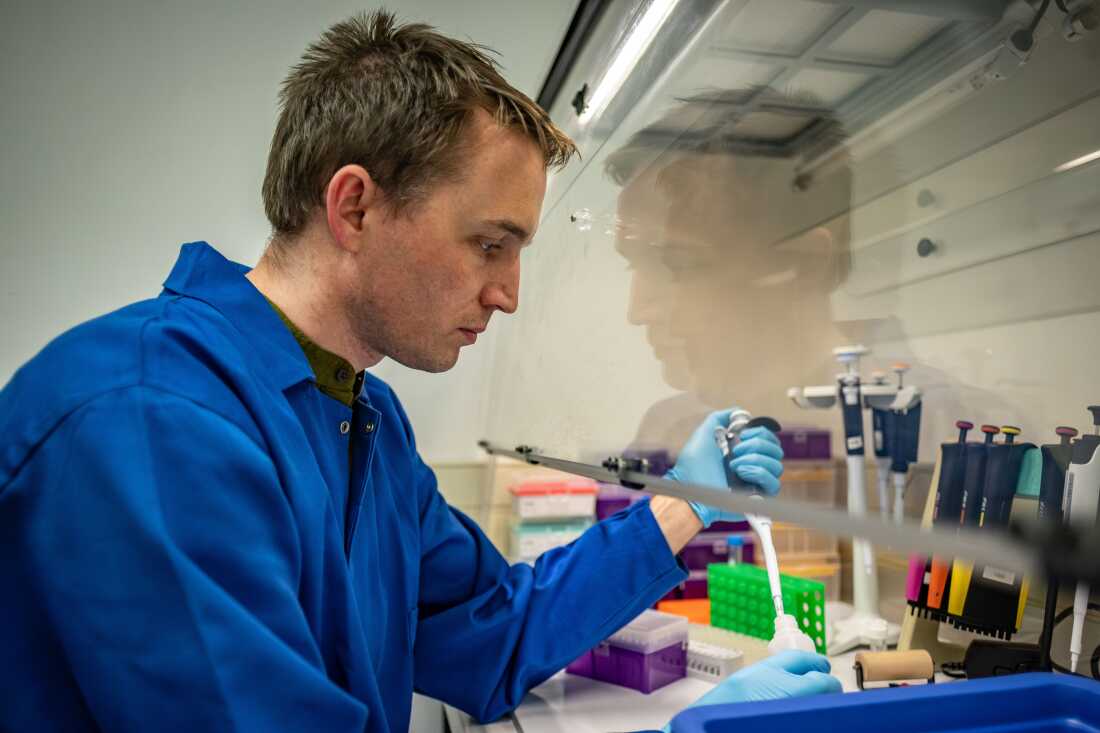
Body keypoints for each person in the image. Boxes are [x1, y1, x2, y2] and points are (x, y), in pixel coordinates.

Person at [0, 12, 836, 733]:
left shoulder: (361, 417)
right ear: (355, 207)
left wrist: (679, 507)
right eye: (489, 243)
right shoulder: (149, 419)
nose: (508, 293)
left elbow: (494, 629)